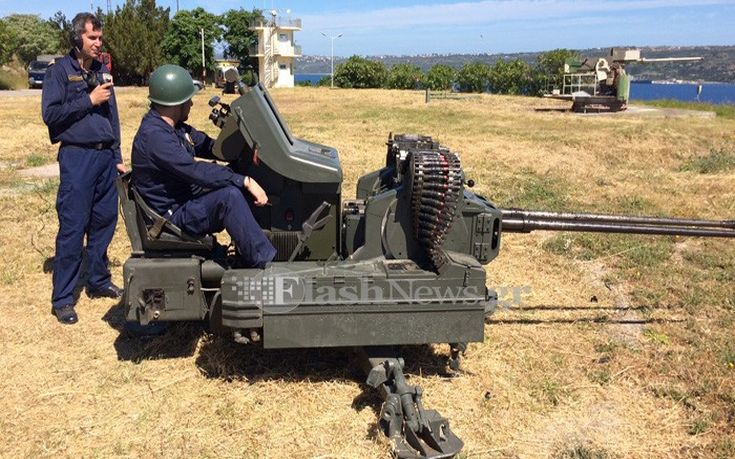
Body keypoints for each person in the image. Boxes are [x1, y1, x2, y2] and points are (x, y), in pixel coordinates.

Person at [131, 64, 276, 268]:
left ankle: (253, 247)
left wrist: (237, 146)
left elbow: (208, 145)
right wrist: (243, 180)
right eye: (188, 99)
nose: (191, 103)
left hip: (184, 199)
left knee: (232, 178)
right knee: (230, 198)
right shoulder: (155, 137)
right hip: (173, 217)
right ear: (176, 102)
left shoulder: (174, 128)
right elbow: (195, 171)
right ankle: (266, 264)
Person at [42, 12, 126, 325]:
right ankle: (63, 298)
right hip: (77, 159)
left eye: (100, 38)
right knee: (73, 227)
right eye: (92, 38)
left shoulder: (102, 70)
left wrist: (117, 153)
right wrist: (88, 100)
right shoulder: (59, 72)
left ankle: (98, 279)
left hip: (105, 159)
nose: (98, 43)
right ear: (78, 38)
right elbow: (51, 115)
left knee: (104, 222)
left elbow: (112, 116)